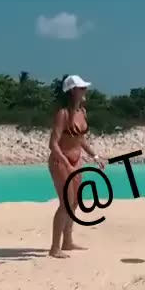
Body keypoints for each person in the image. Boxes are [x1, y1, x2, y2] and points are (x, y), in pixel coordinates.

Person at [48, 74, 106, 258]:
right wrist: (67, 164)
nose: (85, 90)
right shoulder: (63, 114)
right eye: (82, 88)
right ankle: (54, 248)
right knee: (66, 203)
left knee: (75, 202)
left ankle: (67, 241)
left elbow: (80, 139)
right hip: (60, 161)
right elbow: (53, 144)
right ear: (73, 91)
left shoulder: (82, 112)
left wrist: (94, 156)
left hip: (76, 160)